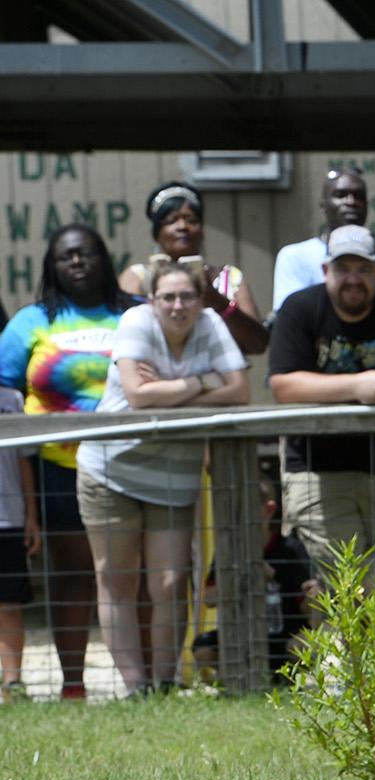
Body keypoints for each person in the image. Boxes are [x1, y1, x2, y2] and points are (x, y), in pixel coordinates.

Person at [83, 256, 248, 696]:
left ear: (200, 298)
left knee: (171, 582)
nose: (179, 305)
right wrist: (201, 382)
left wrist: (169, 392)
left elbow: (241, 389)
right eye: (168, 297)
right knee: (117, 580)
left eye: (188, 295)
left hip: (176, 473)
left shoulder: (212, 324)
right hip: (109, 468)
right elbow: (137, 396)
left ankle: (164, 683)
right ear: (152, 300)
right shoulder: (135, 322)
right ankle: (135, 688)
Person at [0, 225, 135, 699]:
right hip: (58, 468)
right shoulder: (31, 321)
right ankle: (73, 684)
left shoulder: (133, 314)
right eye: (65, 256)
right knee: (76, 574)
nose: (77, 262)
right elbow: (5, 389)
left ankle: (146, 683)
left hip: (131, 462)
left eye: (87, 253)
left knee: (133, 575)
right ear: (50, 267)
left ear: (105, 259)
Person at [267, 225, 375, 590]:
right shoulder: (299, 309)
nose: (353, 279)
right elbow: (283, 384)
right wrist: (362, 385)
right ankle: (349, 649)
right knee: (354, 585)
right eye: (343, 269)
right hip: (317, 469)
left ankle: (362, 650)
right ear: (326, 271)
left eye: (363, 269)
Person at [119, 182, 268, 356]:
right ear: (157, 232)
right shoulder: (138, 278)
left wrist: (219, 302)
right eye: (171, 220)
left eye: (191, 220)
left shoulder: (228, 277)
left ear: (202, 230)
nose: (183, 227)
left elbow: (258, 345)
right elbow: (123, 336)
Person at [273, 167, 375, 313]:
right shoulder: (294, 257)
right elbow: (289, 316)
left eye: (358, 196)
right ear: (323, 205)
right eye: (340, 195)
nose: (351, 202)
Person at [0, 424, 31, 701]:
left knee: (9, 604)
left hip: (8, 519)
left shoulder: (12, 401)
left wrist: (31, 515)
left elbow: (24, 461)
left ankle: (12, 683)